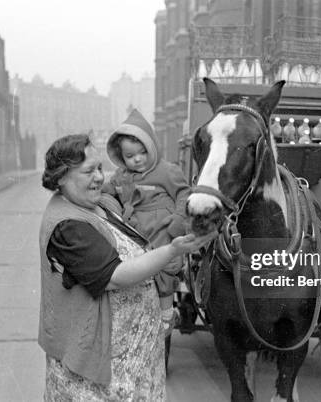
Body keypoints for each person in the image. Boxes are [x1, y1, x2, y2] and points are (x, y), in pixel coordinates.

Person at [39, 134, 214, 401]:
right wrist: (173, 250)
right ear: (61, 177)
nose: (99, 177)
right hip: (99, 375)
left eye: (99, 168)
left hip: (129, 364)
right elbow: (116, 277)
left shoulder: (96, 204)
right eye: (88, 171)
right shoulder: (67, 226)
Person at [103, 109, 190, 336]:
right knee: (135, 272)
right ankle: (137, 312)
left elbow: (184, 194)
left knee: (164, 270)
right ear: (122, 157)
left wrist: (178, 221)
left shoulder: (167, 171)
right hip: (134, 232)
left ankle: (166, 315)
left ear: (152, 147)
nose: (138, 159)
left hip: (161, 230)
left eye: (142, 152)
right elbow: (108, 191)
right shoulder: (122, 175)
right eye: (130, 156)